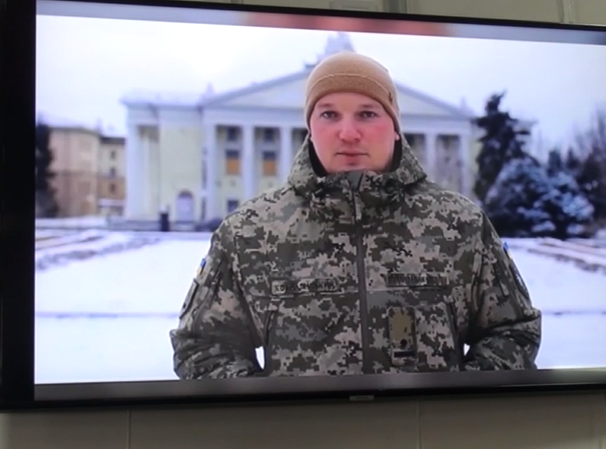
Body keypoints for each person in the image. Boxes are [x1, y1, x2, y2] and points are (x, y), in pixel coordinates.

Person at [169, 51, 542, 379]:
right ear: (310, 128)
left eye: (367, 113)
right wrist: (272, 419)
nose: (348, 133)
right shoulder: (249, 232)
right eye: (329, 114)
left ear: (395, 128)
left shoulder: (460, 224)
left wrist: (454, 411)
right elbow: (202, 346)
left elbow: (513, 330)